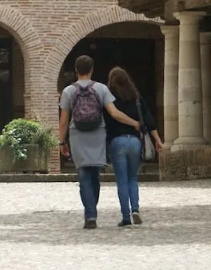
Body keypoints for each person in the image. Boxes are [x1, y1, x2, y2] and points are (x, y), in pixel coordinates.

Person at [59, 55, 142, 229]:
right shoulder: (101, 88)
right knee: (94, 174)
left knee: (83, 175)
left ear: (76, 70)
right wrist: (134, 123)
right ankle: (92, 209)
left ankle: (90, 215)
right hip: (97, 133)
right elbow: (115, 113)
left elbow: (64, 120)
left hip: (77, 135)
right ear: (92, 70)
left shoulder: (68, 91)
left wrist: (61, 142)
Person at [105, 66, 164, 227]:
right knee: (132, 178)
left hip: (117, 142)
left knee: (122, 180)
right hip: (135, 142)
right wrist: (157, 140)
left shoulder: (109, 99)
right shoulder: (136, 97)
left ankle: (125, 216)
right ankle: (135, 209)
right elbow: (149, 120)